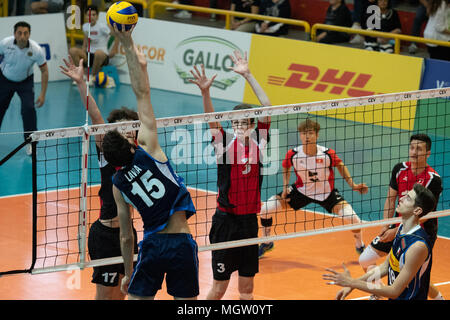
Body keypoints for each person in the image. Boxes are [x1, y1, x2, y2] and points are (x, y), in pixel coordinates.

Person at [102, 24, 198, 300]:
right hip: (180, 243)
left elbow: (126, 237)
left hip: (152, 246)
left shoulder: (117, 184)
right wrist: (127, 42)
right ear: (132, 143)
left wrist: (129, 272)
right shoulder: (150, 150)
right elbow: (142, 93)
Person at [189, 50, 271, 300]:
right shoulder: (223, 145)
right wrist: (205, 92)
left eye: (244, 123)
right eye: (235, 123)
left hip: (248, 222)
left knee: (246, 289)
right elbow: (211, 120)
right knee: (219, 288)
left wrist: (248, 75)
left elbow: (267, 107)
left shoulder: (260, 142)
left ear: (252, 126)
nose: (239, 127)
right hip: (226, 221)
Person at [59, 55, 139, 300]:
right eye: (121, 126)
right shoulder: (107, 150)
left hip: (129, 234)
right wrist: (82, 84)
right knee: (105, 297)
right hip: (105, 234)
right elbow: (96, 117)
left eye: (130, 125)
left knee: (122, 294)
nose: (127, 129)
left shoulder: (142, 155)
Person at [258, 119, 368, 258]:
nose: (307, 136)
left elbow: (340, 165)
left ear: (317, 135)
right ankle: (266, 241)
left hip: (327, 194)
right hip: (301, 191)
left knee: (354, 220)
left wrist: (353, 185)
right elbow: (286, 166)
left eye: (310, 133)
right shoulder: (293, 154)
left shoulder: (327, 154)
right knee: (265, 209)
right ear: (300, 135)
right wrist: (285, 186)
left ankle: (360, 244)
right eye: (304, 133)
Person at [358, 133, 445, 300]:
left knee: (414, 272)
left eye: (419, 149)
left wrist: (395, 230)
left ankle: (438, 298)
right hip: (399, 225)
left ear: (428, 153)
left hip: (422, 230)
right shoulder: (399, 169)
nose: (414, 152)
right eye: (412, 147)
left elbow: (425, 213)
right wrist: (386, 226)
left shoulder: (433, 179)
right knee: (365, 259)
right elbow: (391, 199)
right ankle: (377, 290)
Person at [323, 183, 436, 300]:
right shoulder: (402, 229)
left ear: (417, 210)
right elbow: (385, 266)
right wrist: (352, 285)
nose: (401, 198)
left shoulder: (417, 246)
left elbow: (394, 291)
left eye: (408, 198)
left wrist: (352, 283)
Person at [0, 21, 48, 155]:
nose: (22, 36)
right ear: (14, 34)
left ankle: (30, 143)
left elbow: (44, 71)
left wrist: (43, 94)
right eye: (19, 33)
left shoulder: (36, 50)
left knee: (29, 109)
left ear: (29, 34)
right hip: (4, 79)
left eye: (25, 33)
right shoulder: (5, 43)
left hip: (25, 82)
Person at [69, 5, 118, 85]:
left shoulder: (102, 27)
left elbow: (116, 35)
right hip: (89, 55)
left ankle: (92, 77)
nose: (91, 17)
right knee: (72, 50)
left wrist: (114, 50)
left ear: (97, 16)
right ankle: (81, 76)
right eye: (88, 15)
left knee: (98, 53)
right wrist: (82, 52)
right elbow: (85, 41)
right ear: (85, 16)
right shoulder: (85, 27)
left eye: (93, 15)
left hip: (102, 56)